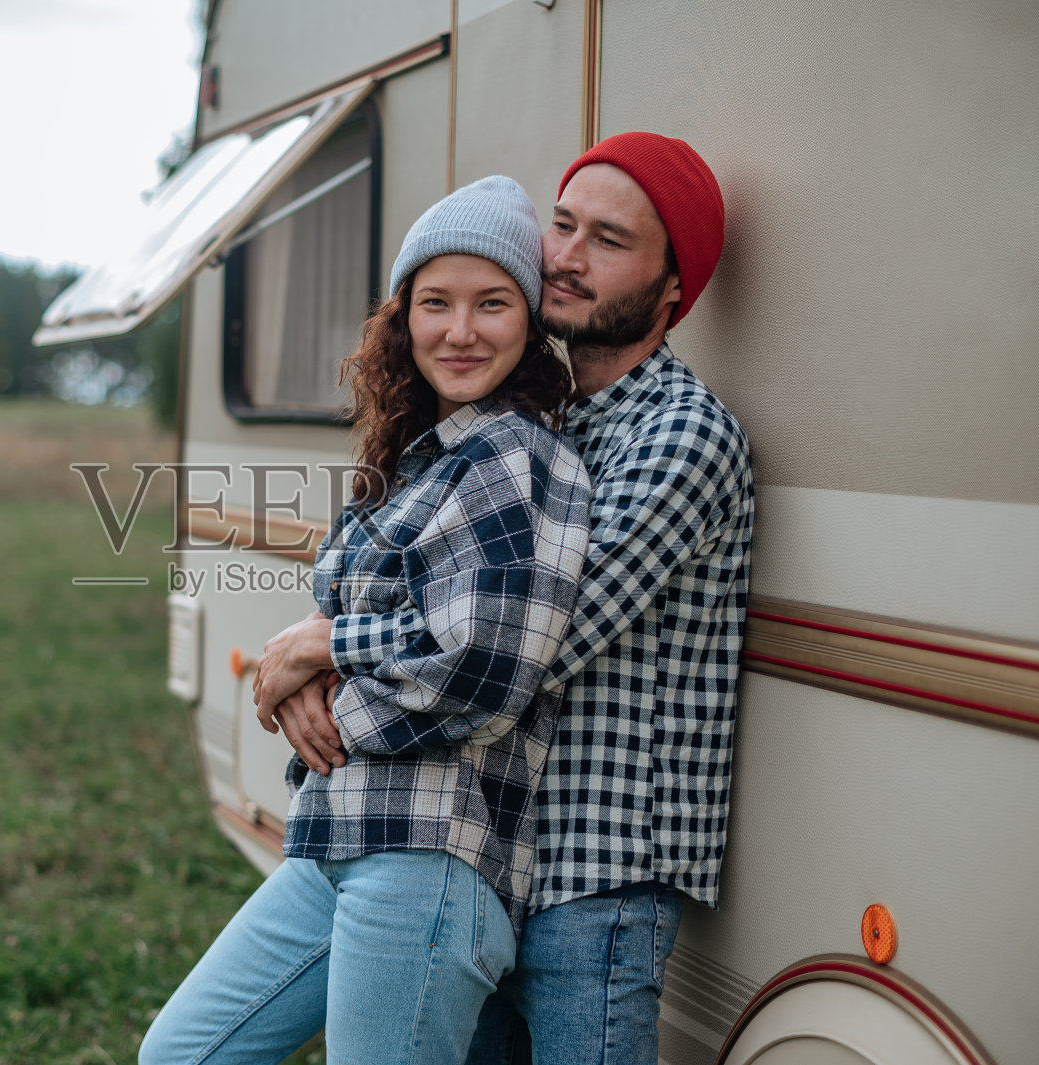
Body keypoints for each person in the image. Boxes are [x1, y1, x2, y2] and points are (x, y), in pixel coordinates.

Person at [138, 176, 592, 1065]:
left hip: (426, 856)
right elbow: (344, 613)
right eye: (436, 303)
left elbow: (479, 671)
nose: (460, 330)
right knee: (182, 1052)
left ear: (528, 322)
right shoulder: (418, 457)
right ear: (403, 318)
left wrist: (323, 658)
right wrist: (313, 659)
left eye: (491, 303)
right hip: (341, 831)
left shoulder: (514, 456)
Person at [458, 133, 756, 1065]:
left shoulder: (686, 436)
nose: (568, 257)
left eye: (609, 240)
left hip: (598, 883)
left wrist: (327, 649)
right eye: (562, 224)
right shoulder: (537, 417)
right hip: (491, 858)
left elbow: (534, 640)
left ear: (674, 288)